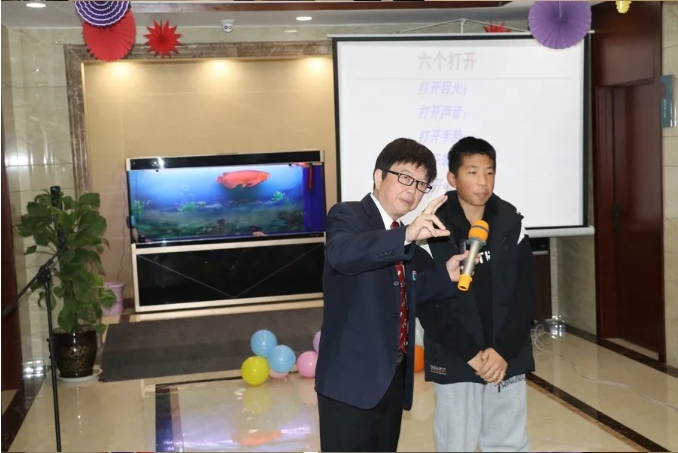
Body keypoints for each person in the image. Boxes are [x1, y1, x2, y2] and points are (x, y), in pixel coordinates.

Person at [315, 137, 470, 452]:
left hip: (391, 379)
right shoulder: (349, 215)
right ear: (378, 176)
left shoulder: (401, 233)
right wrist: (406, 235)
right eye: (405, 178)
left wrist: (446, 275)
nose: (413, 191)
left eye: (422, 184)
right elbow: (342, 255)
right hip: (349, 383)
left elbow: (402, 290)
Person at [417, 136, 536, 452]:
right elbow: (429, 304)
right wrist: (472, 354)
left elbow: (525, 295)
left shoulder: (511, 222)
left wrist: (503, 351)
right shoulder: (431, 227)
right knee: (456, 443)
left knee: (509, 442)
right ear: (452, 178)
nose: (483, 181)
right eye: (472, 172)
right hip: (457, 354)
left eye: (489, 172)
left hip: (505, 354)